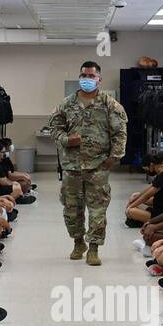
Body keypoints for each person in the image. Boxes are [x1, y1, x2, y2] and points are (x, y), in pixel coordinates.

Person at [46, 59, 127, 265]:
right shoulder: (66, 104)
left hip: (98, 165)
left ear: (99, 79)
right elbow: (55, 128)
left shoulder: (110, 105)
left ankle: (93, 248)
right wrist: (66, 139)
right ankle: (78, 242)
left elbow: (120, 133)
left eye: (91, 76)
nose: (87, 79)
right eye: (83, 75)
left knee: (97, 209)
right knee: (71, 208)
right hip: (71, 166)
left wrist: (114, 157)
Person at [124, 151, 163, 226]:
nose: (153, 166)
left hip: (161, 214)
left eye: (155, 164)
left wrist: (130, 207)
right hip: (159, 206)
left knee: (131, 211)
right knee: (134, 197)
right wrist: (136, 198)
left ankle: (138, 219)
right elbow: (149, 189)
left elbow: (147, 195)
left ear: (162, 164)